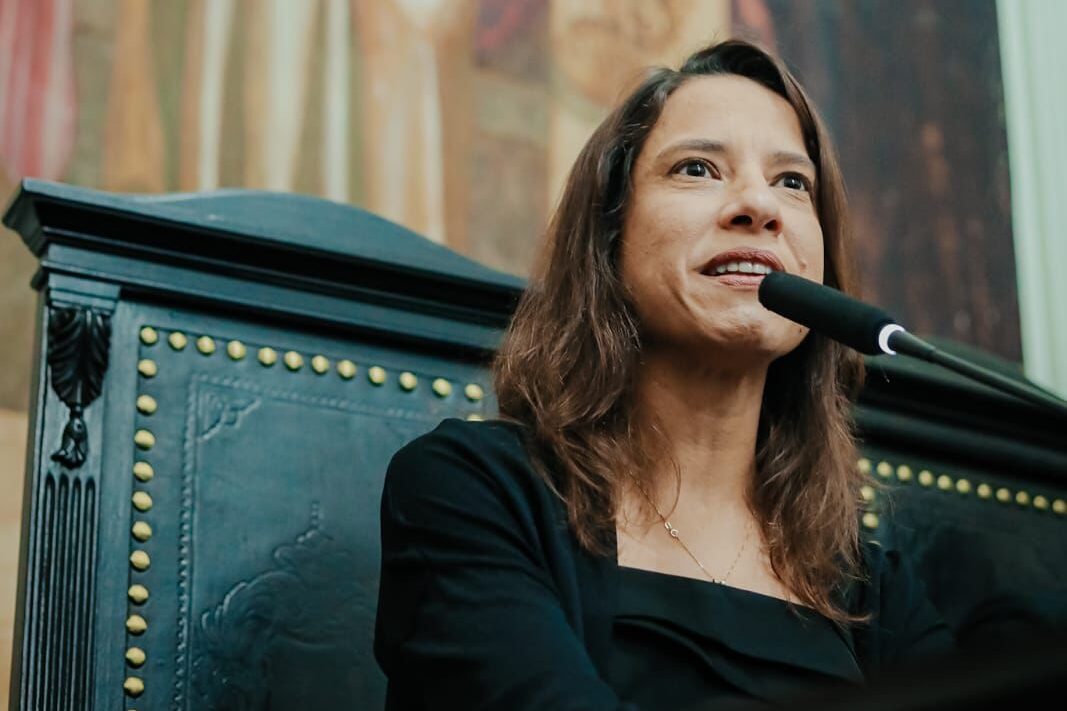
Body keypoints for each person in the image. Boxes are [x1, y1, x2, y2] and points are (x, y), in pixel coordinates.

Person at [374, 38, 954, 709]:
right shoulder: (471, 490)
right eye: (697, 169)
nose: (758, 206)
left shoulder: (869, 584)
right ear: (608, 238)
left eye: (792, 182)